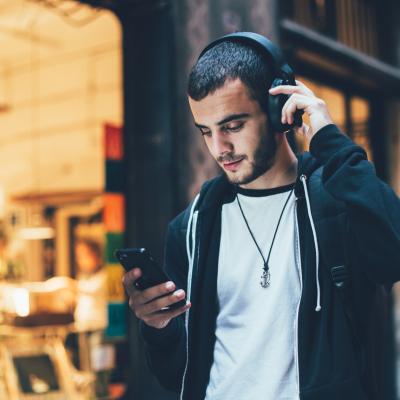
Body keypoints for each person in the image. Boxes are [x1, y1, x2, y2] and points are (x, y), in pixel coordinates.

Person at [123, 32, 400, 400]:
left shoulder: (334, 202)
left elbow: (393, 255)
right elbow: (174, 374)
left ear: (277, 113)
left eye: (233, 126)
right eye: (206, 131)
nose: (219, 149)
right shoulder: (192, 227)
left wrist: (331, 142)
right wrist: (158, 327)